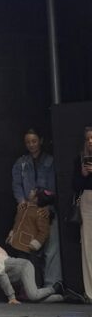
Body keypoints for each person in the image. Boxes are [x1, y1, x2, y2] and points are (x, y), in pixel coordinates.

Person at [11, 128, 62, 287]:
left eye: (34, 141)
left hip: (46, 209)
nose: (31, 145)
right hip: (29, 212)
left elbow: (55, 187)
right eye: (28, 142)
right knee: (28, 247)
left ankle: (51, 284)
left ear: (40, 140)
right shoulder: (21, 162)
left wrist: (50, 207)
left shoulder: (50, 161)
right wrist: (21, 201)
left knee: (51, 248)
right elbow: (17, 184)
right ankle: (29, 286)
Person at [0, 233, 63, 303]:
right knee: (31, 299)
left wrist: (12, 297)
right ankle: (61, 297)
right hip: (17, 274)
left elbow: (3, 278)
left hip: (24, 267)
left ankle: (55, 288)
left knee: (33, 296)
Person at [72, 126, 92, 301]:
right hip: (87, 200)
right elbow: (75, 185)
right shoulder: (80, 158)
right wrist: (84, 175)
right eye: (87, 138)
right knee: (88, 245)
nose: (90, 141)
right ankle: (90, 291)